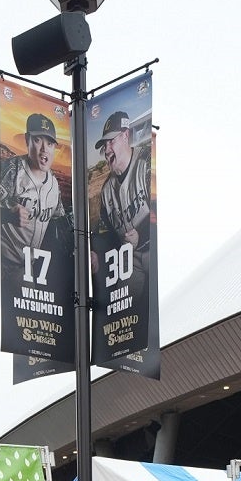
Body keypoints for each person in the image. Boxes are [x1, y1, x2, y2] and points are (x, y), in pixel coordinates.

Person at [91, 110, 154, 357]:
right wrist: (96, 252)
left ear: (126, 136)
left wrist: (141, 232)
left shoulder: (146, 164)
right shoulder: (106, 191)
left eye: (111, 141)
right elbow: (106, 233)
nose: (107, 150)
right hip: (130, 263)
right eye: (104, 145)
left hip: (155, 252)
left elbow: (164, 210)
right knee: (125, 317)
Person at [1, 113, 65, 291]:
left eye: (50, 143)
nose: (45, 149)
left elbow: (59, 222)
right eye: (38, 140)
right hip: (0, 263)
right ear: (27, 140)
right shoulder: (12, 170)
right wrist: (7, 214)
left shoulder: (54, 185)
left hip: (26, 268)